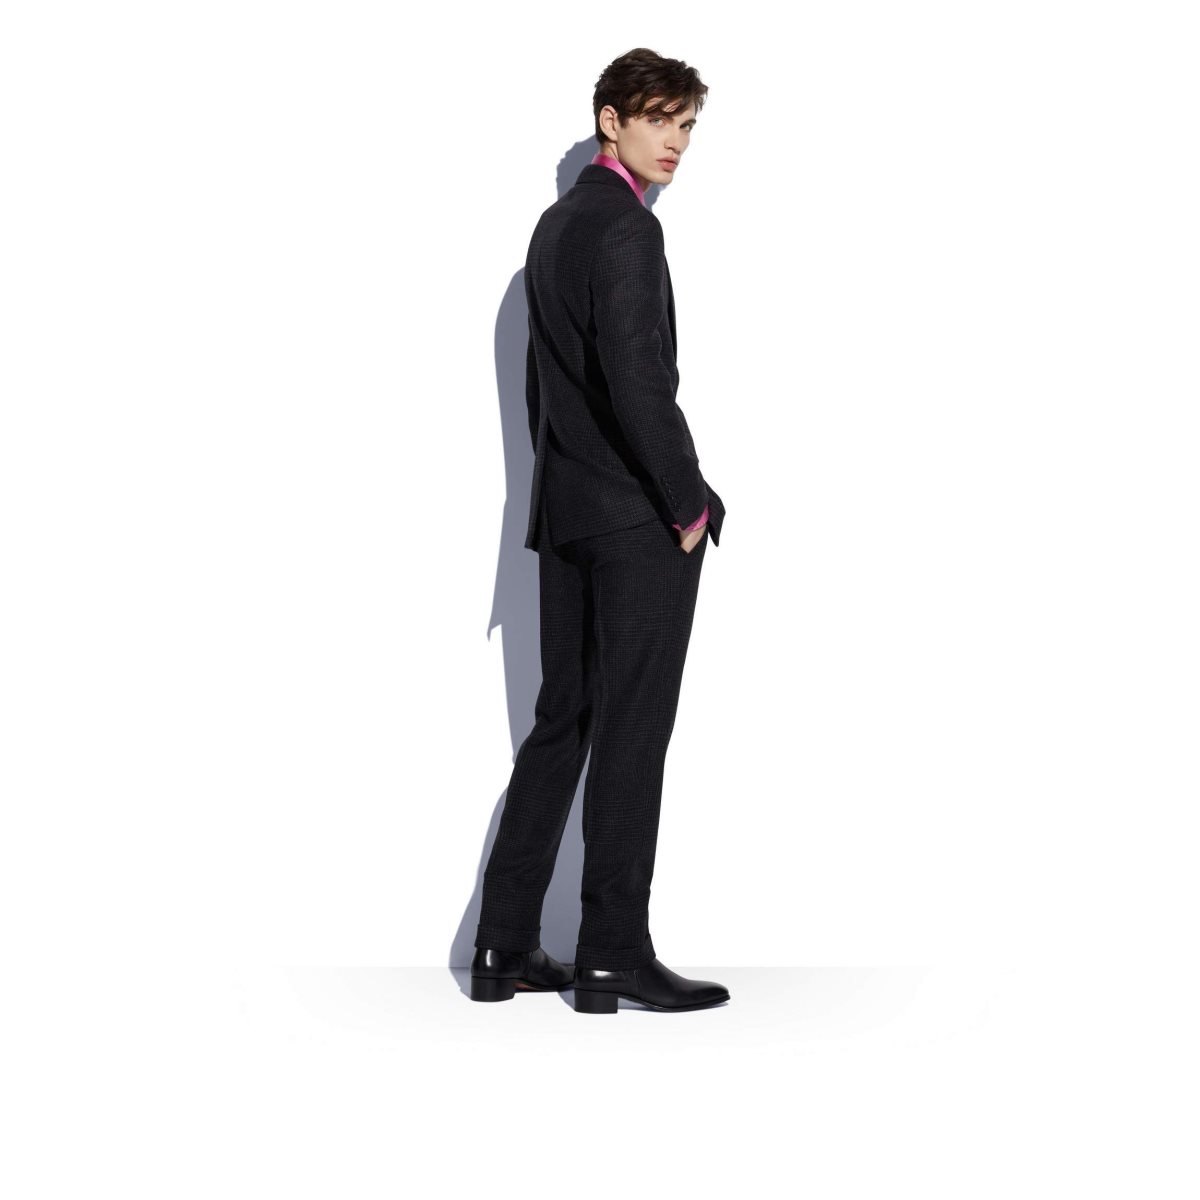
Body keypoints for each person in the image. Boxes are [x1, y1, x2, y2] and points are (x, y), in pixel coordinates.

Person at [470, 48, 730, 1014]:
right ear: (610, 121)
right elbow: (637, 382)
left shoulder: (552, 229)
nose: (676, 141)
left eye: (688, 124)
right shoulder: (626, 229)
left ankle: (503, 943)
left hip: (568, 516)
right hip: (633, 522)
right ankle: (612, 953)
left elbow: (545, 390)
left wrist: (555, 500)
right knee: (631, 731)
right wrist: (689, 503)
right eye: (659, 118)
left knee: (564, 723)